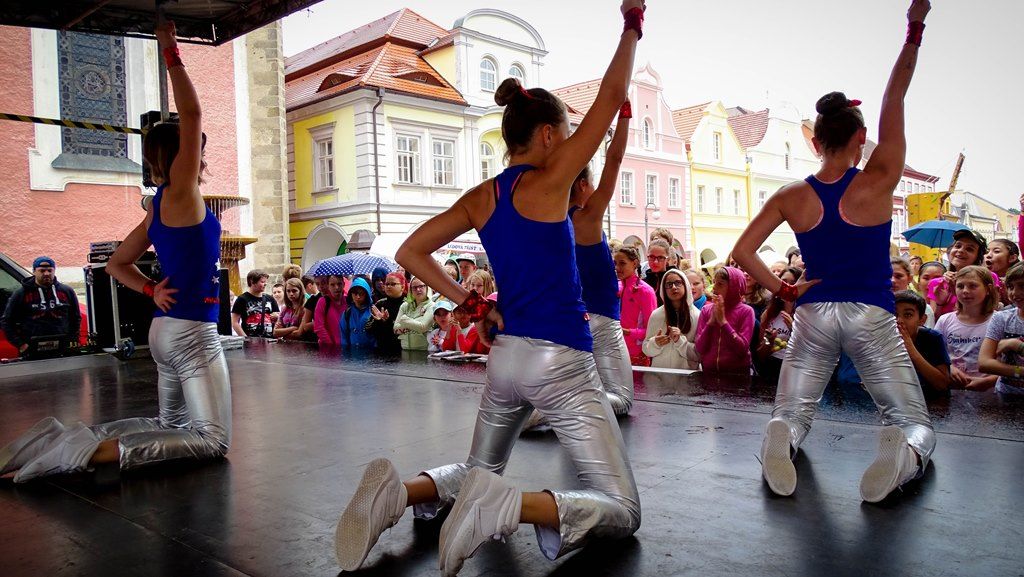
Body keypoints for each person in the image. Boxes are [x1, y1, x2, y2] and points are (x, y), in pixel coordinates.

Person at [336, 4, 643, 572]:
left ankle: (400, 493)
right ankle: (505, 506)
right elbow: (610, 95)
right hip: (561, 359)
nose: (574, 143)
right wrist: (631, 26)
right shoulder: (553, 182)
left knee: (480, 468)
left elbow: (409, 253)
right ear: (549, 135)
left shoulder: (485, 196)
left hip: (504, 360)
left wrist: (472, 304)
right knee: (623, 509)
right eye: (569, 135)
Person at [0, 21, 231, 483]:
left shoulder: (158, 209)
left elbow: (114, 264)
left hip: (165, 331)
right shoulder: (181, 193)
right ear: (179, 157)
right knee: (211, 439)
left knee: (172, 427)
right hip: (191, 334)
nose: (202, 157)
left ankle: (60, 441)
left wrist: (148, 289)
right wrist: (170, 51)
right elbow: (193, 114)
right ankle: (74, 455)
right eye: (195, 151)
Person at [732, 0, 935, 503]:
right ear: (860, 139)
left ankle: (781, 435)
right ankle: (903, 449)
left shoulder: (790, 196)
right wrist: (913, 29)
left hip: (815, 311)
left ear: (816, 139)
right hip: (871, 313)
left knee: (793, 409)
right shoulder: (879, 178)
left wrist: (783, 288)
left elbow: (741, 251)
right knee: (913, 420)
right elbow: (896, 96)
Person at [568, 101, 634, 414]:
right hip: (603, 320)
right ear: (582, 185)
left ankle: (551, 407)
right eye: (591, 183)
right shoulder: (588, 218)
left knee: (585, 385)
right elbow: (615, 159)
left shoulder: (551, 221)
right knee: (621, 400)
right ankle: (555, 408)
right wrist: (623, 115)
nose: (595, 188)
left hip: (569, 320)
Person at [933, 265, 999, 391]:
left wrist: (988, 381)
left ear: (988, 289)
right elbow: (934, 354)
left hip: (989, 392)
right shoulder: (945, 320)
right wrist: (949, 368)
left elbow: (1010, 365)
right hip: (953, 390)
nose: (965, 291)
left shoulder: (999, 320)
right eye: (960, 286)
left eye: (973, 286)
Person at [1, 256, 81, 357]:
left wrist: (72, 341)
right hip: (31, 349)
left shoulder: (67, 291)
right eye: (42, 271)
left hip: (62, 348)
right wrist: (20, 344)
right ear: (34, 271)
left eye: (50, 270)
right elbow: (6, 321)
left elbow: (75, 318)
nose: (46, 273)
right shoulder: (21, 293)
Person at [694, 267, 754, 374]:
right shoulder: (706, 310)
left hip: (737, 376)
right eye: (714, 283)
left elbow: (742, 349)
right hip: (709, 373)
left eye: (720, 284)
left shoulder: (746, 311)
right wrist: (711, 323)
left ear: (733, 287)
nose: (714, 289)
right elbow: (700, 348)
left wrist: (723, 322)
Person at [894, 290, 951, 399]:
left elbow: (942, 384)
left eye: (908, 315)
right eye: (894, 314)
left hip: (931, 401)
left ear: (922, 320)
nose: (899, 320)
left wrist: (911, 349)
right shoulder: (885, 338)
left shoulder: (932, 338)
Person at [978, 263, 1024, 395]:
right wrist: (1020, 372)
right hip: (1005, 395)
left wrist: (1016, 345)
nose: (1015, 293)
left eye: (1022, 286)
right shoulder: (1001, 318)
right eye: (1010, 287)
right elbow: (984, 363)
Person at [927, 229, 992, 320]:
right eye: (958, 246)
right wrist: (940, 303)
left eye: (969, 249)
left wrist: (956, 291)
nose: (961, 250)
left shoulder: (989, 277)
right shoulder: (937, 283)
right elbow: (935, 320)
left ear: (978, 256)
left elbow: (991, 313)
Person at [643, 268, 700, 369]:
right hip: (660, 378)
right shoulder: (656, 315)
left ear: (685, 285)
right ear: (663, 290)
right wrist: (655, 343)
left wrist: (680, 341)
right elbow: (646, 349)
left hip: (686, 378)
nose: (674, 287)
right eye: (669, 285)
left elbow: (698, 354)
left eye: (678, 283)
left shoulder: (697, 315)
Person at [754, 267, 802, 383]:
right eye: (784, 282)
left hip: (795, 372)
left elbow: (811, 350)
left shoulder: (806, 314)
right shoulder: (769, 313)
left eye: (793, 283)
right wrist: (768, 341)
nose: (789, 287)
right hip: (771, 370)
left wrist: (793, 329)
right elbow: (761, 353)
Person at [615, 245, 657, 365]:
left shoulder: (646, 291)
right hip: (615, 351)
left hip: (637, 354)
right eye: (615, 263)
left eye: (622, 263)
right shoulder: (615, 287)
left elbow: (651, 330)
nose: (617, 268)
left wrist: (627, 332)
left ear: (635, 263)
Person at [367, 272, 406, 355]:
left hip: (403, 351)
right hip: (382, 352)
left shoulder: (408, 305)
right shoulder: (380, 304)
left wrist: (388, 322)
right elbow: (367, 329)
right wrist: (379, 321)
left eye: (393, 284)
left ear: (402, 287)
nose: (388, 287)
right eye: (387, 284)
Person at [231, 270, 278, 338]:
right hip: (250, 342)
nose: (265, 284)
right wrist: (246, 338)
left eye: (265, 282)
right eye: (262, 282)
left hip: (269, 341)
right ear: (252, 282)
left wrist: (277, 317)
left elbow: (278, 319)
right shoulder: (242, 299)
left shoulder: (270, 299)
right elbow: (234, 322)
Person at [394, 276, 434, 351]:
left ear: (427, 288)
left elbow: (423, 327)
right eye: (414, 287)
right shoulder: (405, 306)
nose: (418, 290)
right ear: (410, 290)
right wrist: (416, 323)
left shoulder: (432, 306)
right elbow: (395, 329)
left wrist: (404, 320)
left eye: (421, 286)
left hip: (424, 350)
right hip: (405, 349)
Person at [340, 277, 374, 349]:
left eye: (361, 294)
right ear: (351, 294)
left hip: (370, 355)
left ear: (367, 294)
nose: (358, 297)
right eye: (355, 294)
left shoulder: (373, 311)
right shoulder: (347, 313)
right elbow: (344, 337)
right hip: (353, 355)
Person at [314, 275, 347, 347]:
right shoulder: (323, 302)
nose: (336, 287)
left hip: (345, 348)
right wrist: (331, 346)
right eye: (332, 285)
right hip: (328, 349)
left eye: (339, 284)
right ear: (328, 286)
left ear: (344, 284)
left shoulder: (348, 301)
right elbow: (319, 328)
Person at [916, 261, 944, 327]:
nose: (931, 282)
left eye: (937, 278)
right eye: (926, 278)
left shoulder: (954, 308)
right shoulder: (912, 306)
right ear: (919, 282)